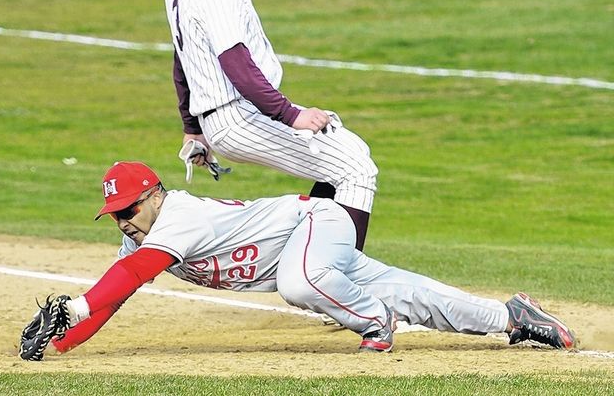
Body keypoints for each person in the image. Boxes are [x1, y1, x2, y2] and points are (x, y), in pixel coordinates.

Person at [37, 161, 575, 357]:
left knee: (300, 284)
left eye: (128, 207)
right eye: (114, 213)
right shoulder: (142, 233)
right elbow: (117, 293)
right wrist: (61, 342)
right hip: (306, 247)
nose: (123, 218)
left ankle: (373, 322)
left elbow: (130, 275)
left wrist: (77, 309)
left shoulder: (178, 217)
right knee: (410, 293)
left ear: (154, 193)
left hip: (315, 221)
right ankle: (514, 317)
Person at [164, 0, 377, 251]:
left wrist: (192, 128)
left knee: (346, 153)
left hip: (226, 116)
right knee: (356, 168)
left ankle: (316, 260)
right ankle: (335, 274)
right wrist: (289, 113)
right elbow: (236, 63)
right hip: (239, 116)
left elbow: (182, 60)